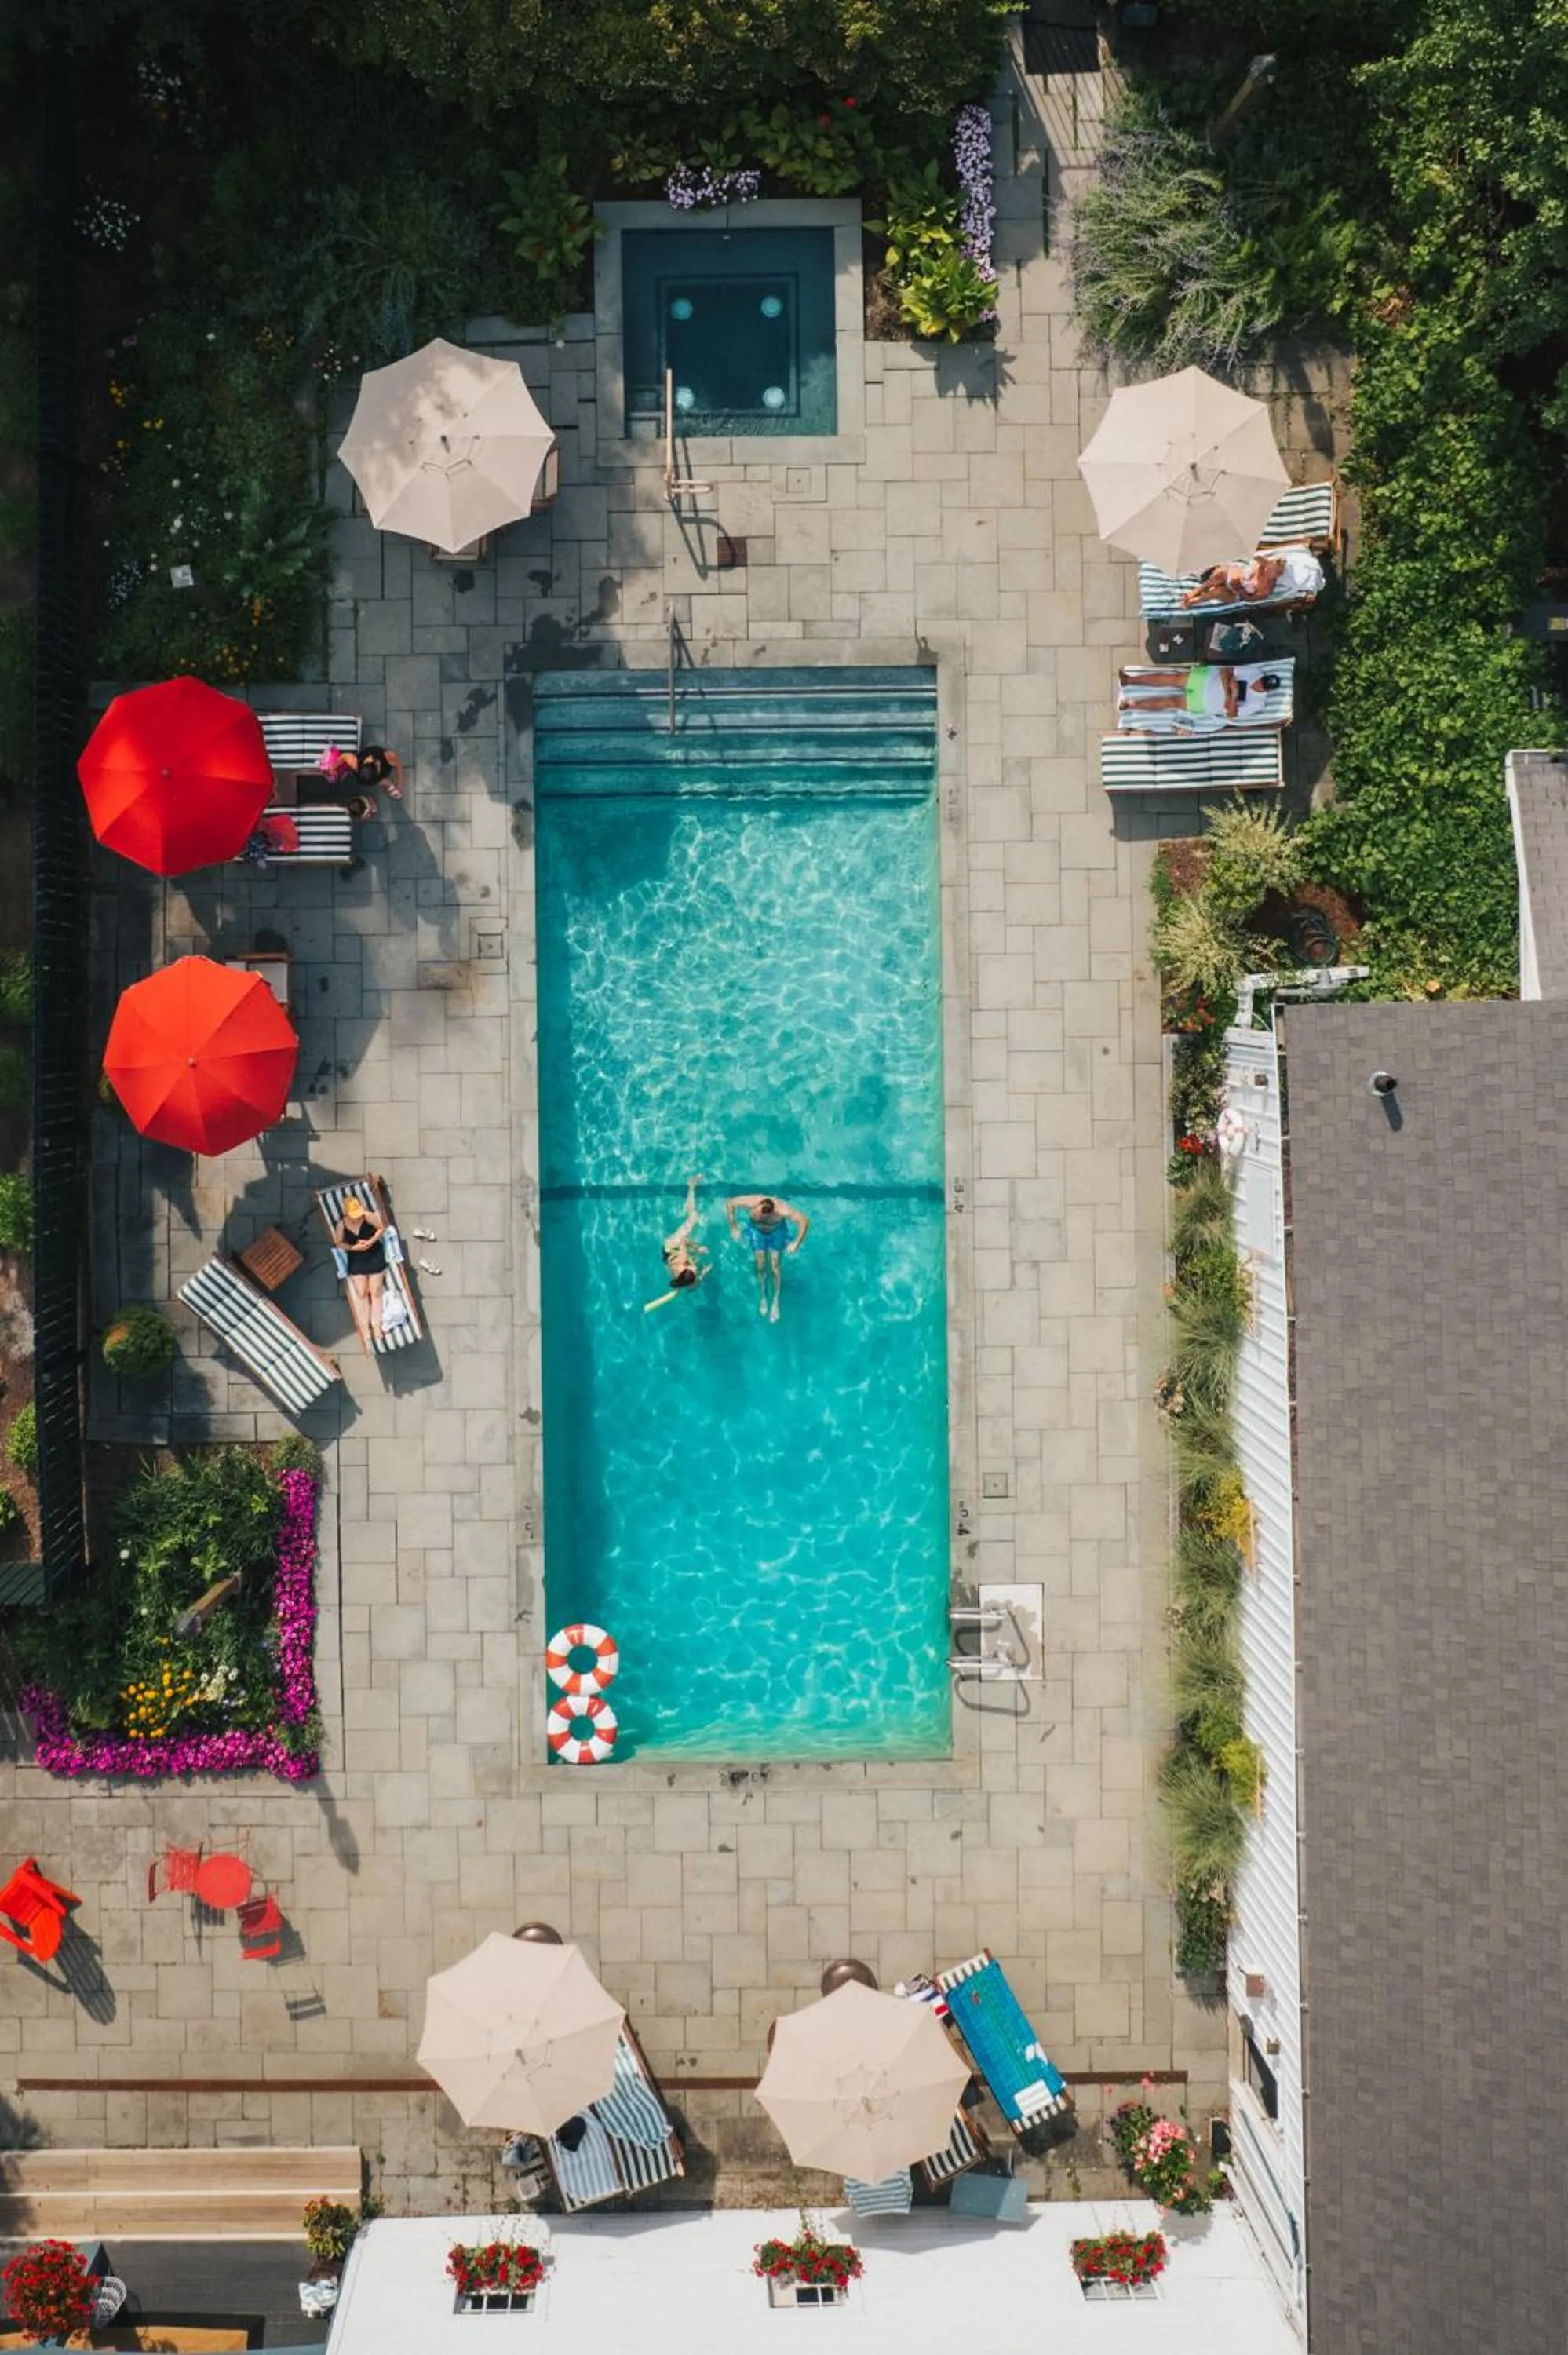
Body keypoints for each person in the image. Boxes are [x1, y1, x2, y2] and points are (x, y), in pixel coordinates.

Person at [727, 1191, 809, 1323]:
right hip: (757, 1232)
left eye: (764, 1215)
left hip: (776, 1232)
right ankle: (763, 1297)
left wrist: (796, 1243)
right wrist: (733, 1227)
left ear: (773, 1212)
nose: (760, 1215)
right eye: (758, 1212)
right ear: (758, 1205)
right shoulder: (751, 1201)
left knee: (775, 1267)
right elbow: (730, 1203)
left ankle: (775, 1301)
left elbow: (804, 1221)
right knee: (760, 1267)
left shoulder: (782, 1210)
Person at [1117, 663, 1284, 726]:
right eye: (1261, 680)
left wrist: (1233, 695)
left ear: (1266, 691)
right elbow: (1226, 671)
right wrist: (1229, 691)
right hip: (1206, 679)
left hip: (1206, 702)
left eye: (1262, 686)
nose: (1258, 684)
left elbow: (1233, 715)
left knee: (1171, 702)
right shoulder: (1254, 672)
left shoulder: (1258, 703)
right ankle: (1129, 681)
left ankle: (1130, 705)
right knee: (1171, 679)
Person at [644, 1175, 712, 1314]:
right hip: (669, 1258)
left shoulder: (681, 1260)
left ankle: (691, 1186)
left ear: (685, 1268)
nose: (695, 1268)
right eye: (694, 1270)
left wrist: (697, 1248)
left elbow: (684, 1242)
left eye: (693, 1269)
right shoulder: (687, 1280)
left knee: (693, 1218)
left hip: (673, 1246)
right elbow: (693, 1286)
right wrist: (703, 1274)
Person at [1179, 545, 1323, 608]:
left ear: (1276, 575)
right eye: (1270, 566)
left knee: (1217, 593)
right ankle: (1195, 591)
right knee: (1219, 575)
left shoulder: (1267, 588)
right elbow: (1257, 557)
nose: (1268, 570)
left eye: (1272, 571)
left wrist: (1241, 591)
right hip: (1230, 576)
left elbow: (1251, 599)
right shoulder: (1263, 564)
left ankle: (1192, 602)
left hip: (1234, 593)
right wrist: (1266, 563)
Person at [335, 1190, 389, 1342]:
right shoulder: (342, 1224)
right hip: (357, 1258)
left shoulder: (368, 1216)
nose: (358, 1215)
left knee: (376, 1291)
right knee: (361, 1292)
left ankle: (376, 1326)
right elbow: (339, 1242)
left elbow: (382, 1228)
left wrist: (370, 1242)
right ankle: (366, 1329)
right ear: (346, 1213)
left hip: (374, 1254)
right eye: (354, 1213)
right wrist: (354, 1248)